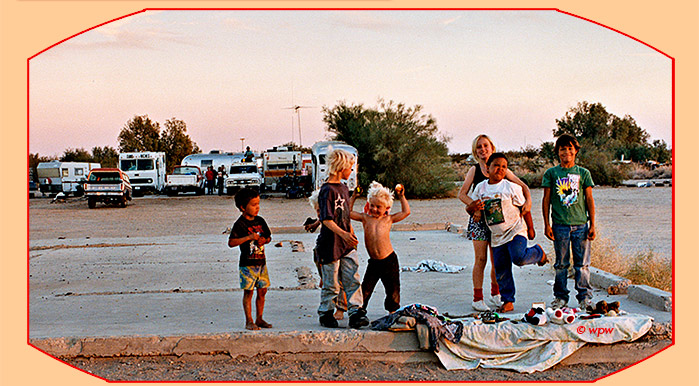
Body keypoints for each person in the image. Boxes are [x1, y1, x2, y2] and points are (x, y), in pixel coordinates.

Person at [457, 134, 533, 312]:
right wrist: (474, 207)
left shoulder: (501, 168)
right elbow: (462, 194)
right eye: (479, 147)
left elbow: (523, 187)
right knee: (481, 259)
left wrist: (528, 202)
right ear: (475, 152)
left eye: (485, 146)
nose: (483, 149)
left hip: (500, 221)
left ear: (491, 147)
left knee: (497, 258)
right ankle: (477, 298)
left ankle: (496, 294)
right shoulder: (474, 170)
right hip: (479, 219)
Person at [470, 152, 546, 313]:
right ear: (487, 168)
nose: (500, 169)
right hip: (496, 236)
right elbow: (469, 207)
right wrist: (475, 209)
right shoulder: (481, 188)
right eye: (496, 165)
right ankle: (508, 300)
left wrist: (531, 228)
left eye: (504, 166)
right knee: (501, 269)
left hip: (515, 230)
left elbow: (524, 208)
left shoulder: (511, 187)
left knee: (518, 257)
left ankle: (538, 252)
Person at [542, 134, 596, 310]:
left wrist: (592, 224)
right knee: (561, 264)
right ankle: (560, 297)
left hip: (581, 225)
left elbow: (589, 199)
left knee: (582, 264)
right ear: (557, 152)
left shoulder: (583, 173)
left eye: (570, 148)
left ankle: (584, 298)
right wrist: (547, 224)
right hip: (560, 226)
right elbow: (546, 200)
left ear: (576, 151)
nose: (566, 152)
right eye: (562, 149)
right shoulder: (552, 173)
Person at [316, 149, 368, 329]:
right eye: (350, 168)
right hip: (331, 244)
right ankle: (326, 312)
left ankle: (355, 311)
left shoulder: (344, 188)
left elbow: (345, 216)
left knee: (352, 277)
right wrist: (343, 234)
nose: (351, 171)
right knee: (331, 282)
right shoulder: (327, 190)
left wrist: (350, 234)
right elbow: (326, 220)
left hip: (346, 243)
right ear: (342, 167)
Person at [349, 181, 410, 314]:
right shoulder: (365, 218)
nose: (375, 209)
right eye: (372, 205)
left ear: (386, 207)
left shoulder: (388, 219)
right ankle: (359, 311)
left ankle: (392, 312)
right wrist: (353, 196)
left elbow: (406, 212)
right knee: (366, 288)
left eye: (379, 207)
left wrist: (402, 196)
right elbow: (348, 212)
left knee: (392, 289)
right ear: (368, 204)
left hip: (389, 260)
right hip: (374, 262)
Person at [228, 188, 273, 330]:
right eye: (253, 205)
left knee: (262, 290)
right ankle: (249, 320)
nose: (257, 208)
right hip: (247, 264)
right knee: (249, 292)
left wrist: (264, 240)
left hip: (261, 263)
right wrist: (248, 238)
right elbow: (231, 242)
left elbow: (269, 237)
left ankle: (260, 318)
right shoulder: (240, 224)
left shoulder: (260, 221)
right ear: (243, 207)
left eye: (258, 204)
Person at [307, 189, 347, 320]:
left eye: (321, 210)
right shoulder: (323, 217)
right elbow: (322, 219)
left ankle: (340, 308)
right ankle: (324, 277)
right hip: (322, 251)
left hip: (335, 250)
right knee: (329, 282)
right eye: (317, 211)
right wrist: (315, 224)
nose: (320, 213)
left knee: (338, 282)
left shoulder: (338, 219)